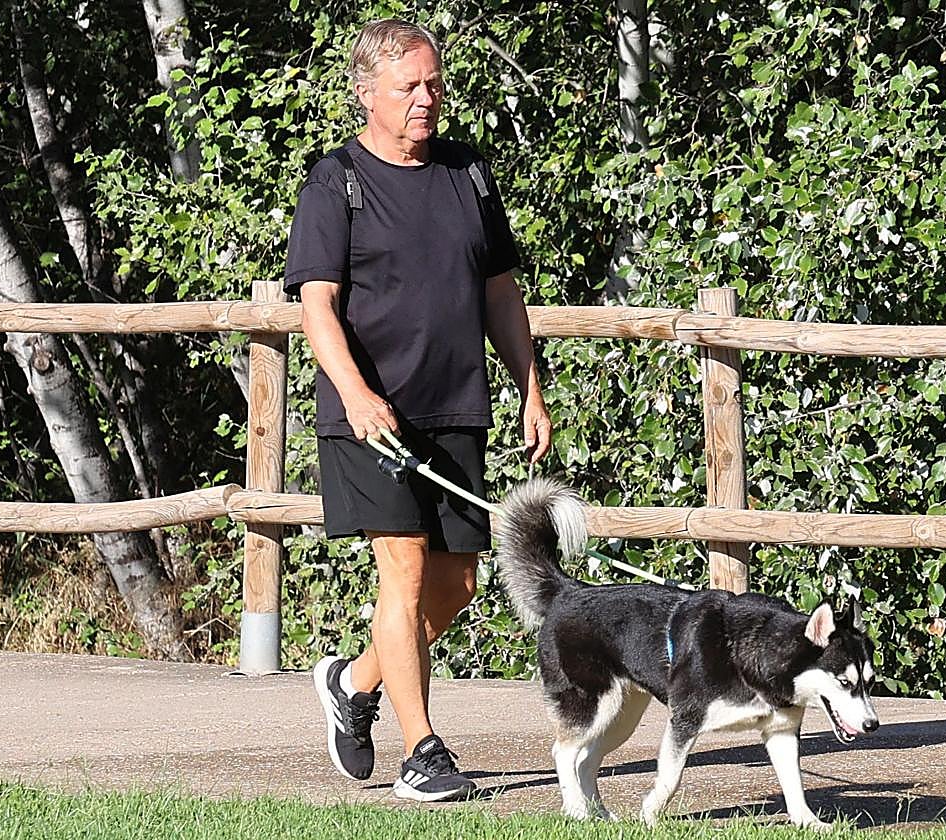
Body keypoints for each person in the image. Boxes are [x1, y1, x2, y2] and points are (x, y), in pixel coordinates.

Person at [283, 18, 552, 802]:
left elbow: (500, 292)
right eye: (409, 87)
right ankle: (422, 753)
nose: (426, 99)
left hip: (455, 405)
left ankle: (354, 682)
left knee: (458, 581)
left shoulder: (468, 173)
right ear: (367, 92)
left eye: (434, 84)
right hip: (370, 417)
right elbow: (317, 306)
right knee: (400, 572)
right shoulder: (335, 183)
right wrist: (356, 395)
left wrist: (530, 388)